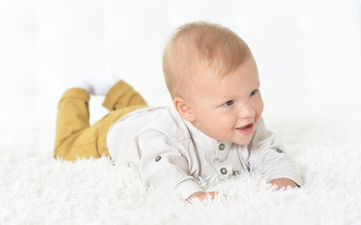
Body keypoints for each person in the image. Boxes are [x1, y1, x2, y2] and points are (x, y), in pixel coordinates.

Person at [54, 21, 302, 202]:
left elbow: (269, 151)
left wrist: (282, 176)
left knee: (142, 110)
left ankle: (113, 86)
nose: (249, 111)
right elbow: (161, 171)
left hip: (151, 114)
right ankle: (77, 92)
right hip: (115, 130)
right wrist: (192, 193)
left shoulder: (246, 123)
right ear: (186, 110)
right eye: (229, 103)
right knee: (67, 146)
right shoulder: (164, 138)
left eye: (253, 92)